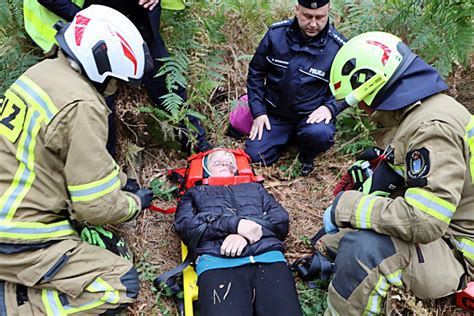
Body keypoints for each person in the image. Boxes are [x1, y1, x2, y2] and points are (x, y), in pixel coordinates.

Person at [0, 6, 153, 314]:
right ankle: (12, 306)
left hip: (8, 211)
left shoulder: (41, 74)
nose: (116, 90)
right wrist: (134, 203)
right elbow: (93, 206)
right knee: (118, 285)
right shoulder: (83, 105)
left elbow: (71, 155)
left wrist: (121, 182)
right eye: (116, 82)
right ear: (102, 67)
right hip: (19, 236)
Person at [321, 31, 474, 315]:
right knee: (337, 242)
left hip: (458, 250)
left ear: (379, 85)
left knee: (364, 250)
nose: (364, 111)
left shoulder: (432, 127)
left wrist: (347, 207)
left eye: (363, 100)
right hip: (448, 232)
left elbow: (426, 219)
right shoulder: (423, 112)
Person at [23, 0, 211, 155]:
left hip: (137, 22)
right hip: (86, 34)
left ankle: (198, 148)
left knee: (166, 83)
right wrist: (86, 19)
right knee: (100, 105)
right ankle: (109, 175)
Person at [174, 149, 302, 316]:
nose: (225, 164)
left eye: (230, 162)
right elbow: (186, 227)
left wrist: (246, 235)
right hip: (218, 261)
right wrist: (234, 225)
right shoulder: (194, 194)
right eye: (217, 162)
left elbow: (280, 220)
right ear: (206, 169)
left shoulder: (255, 189)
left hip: (267, 258)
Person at [245, 0, 347, 176]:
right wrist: (259, 112)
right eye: (307, 16)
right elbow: (256, 73)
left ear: (329, 10)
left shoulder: (339, 48)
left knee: (320, 134)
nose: (313, 24)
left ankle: (306, 152)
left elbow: (348, 88)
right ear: (297, 9)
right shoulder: (275, 35)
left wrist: (330, 108)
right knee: (254, 155)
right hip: (275, 114)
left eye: (320, 17)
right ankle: (285, 138)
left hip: (311, 116)